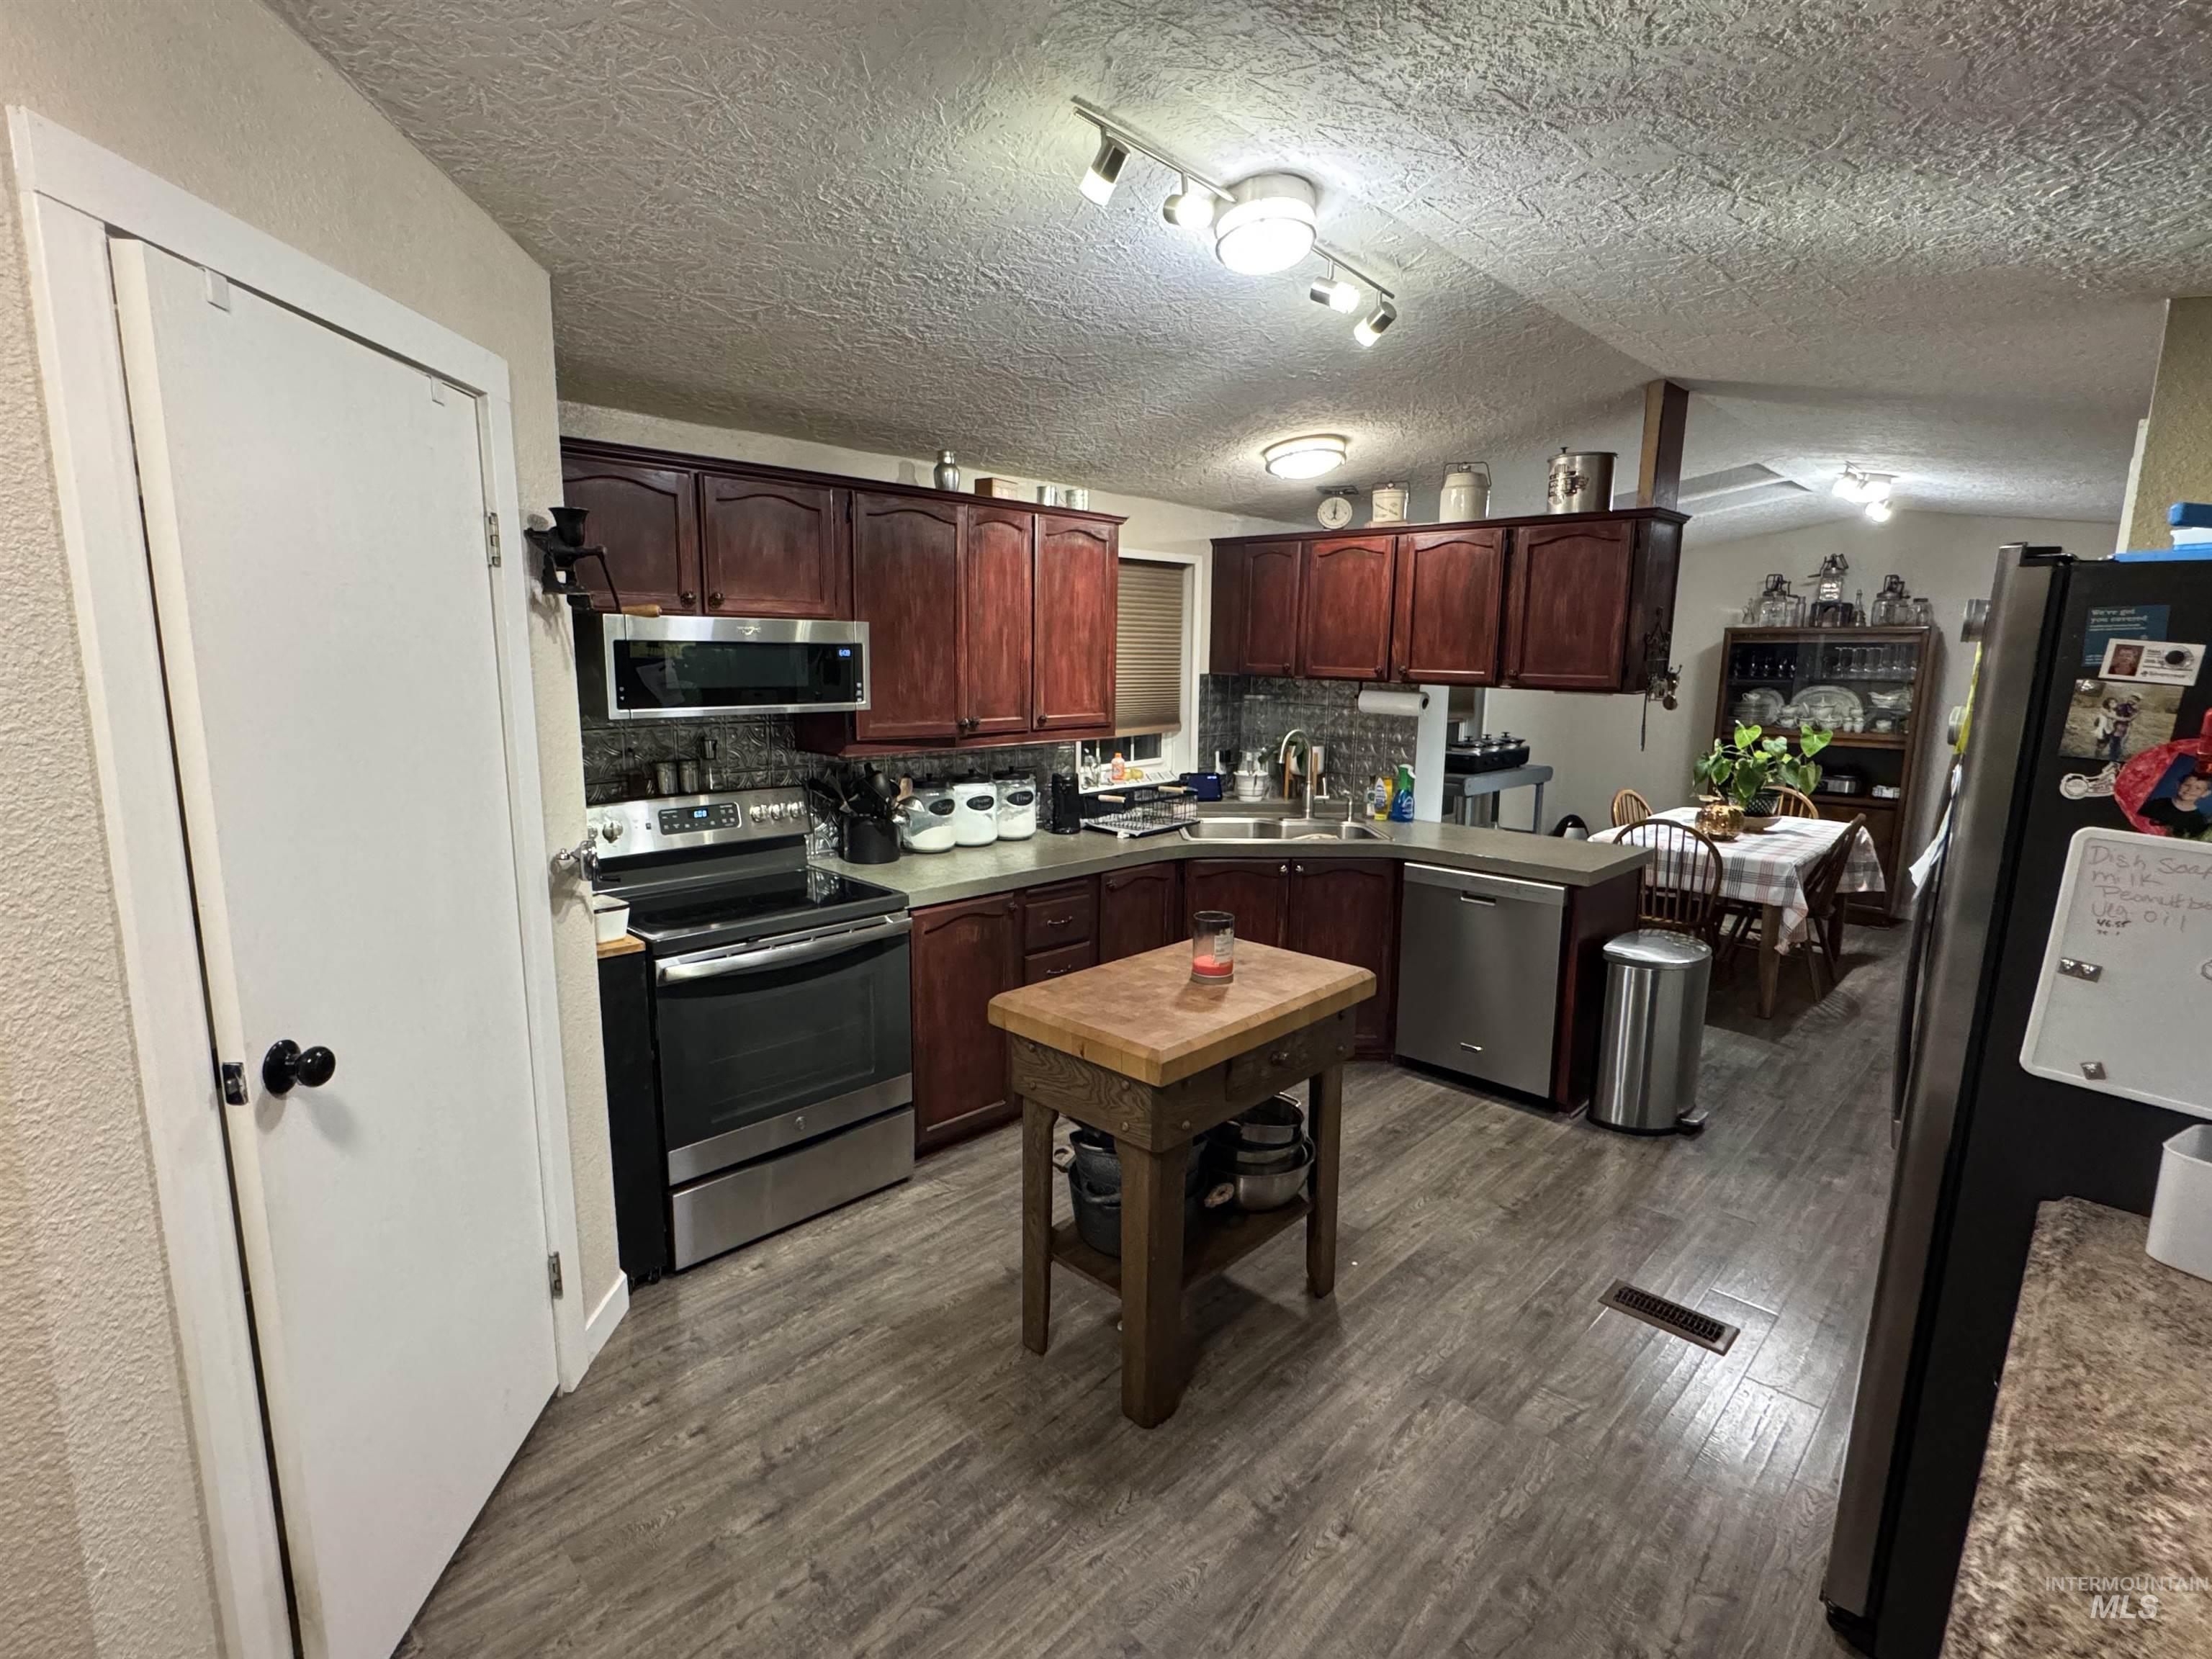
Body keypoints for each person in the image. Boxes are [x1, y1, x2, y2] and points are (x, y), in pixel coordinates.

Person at [2142, 769, 2212, 837]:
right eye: (2187, 785)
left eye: (2198, 788)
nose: (2190, 790)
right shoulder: (2155, 805)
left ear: (2206, 793)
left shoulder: (2199, 822)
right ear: (2178, 785)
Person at [2092, 693, 2141, 762]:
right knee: (2102, 743)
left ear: (2138, 702)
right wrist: (2099, 719)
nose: (2133, 700)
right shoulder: (2120, 706)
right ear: (2129, 697)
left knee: (2116, 745)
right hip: (2109, 727)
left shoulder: (2136, 710)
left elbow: (2130, 719)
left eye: (2136, 700)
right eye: (2132, 698)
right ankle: (2096, 758)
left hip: (2120, 729)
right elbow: (2107, 711)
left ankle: (2113, 760)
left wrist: (2128, 720)